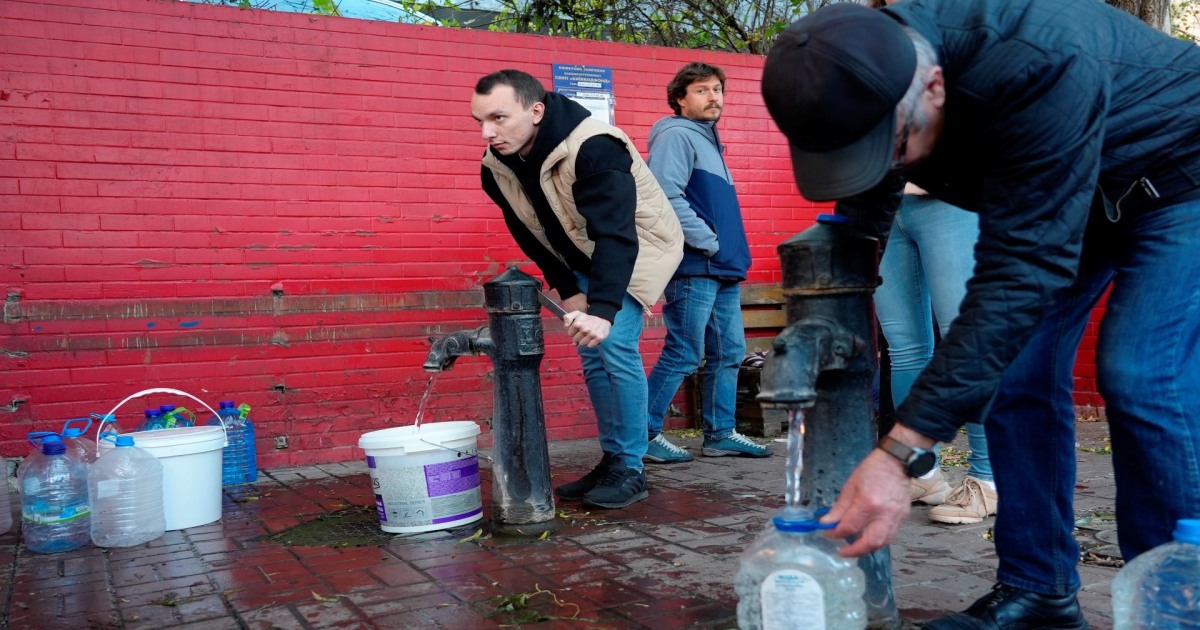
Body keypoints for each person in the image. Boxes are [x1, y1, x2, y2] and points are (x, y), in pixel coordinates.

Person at [760, 1, 1200, 627]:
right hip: (1076, 175)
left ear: (935, 85)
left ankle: (1175, 603)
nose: (892, 162)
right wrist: (847, 258)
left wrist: (899, 453)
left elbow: (1017, 279)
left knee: (1140, 371)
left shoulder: (1033, 61)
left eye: (896, 146)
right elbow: (876, 162)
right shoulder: (870, 62)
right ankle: (1039, 589)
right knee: (1017, 370)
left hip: (1181, 171)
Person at [471, 69, 683, 510]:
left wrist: (603, 309)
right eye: (480, 122)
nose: (488, 133)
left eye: (498, 118)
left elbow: (617, 234)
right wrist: (567, 288)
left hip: (637, 247)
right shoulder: (496, 167)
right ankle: (613, 459)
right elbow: (529, 232)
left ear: (536, 110)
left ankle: (632, 466)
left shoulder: (595, 146)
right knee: (590, 352)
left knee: (617, 343)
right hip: (580, 257)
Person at [642, 62, 771, 464]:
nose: (714, 96)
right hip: (697, 266)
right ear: (680, 99)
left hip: (723, 267)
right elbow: (666, 196)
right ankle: (642, 434)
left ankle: (720, 434)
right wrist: (710, 243)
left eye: (717, 89)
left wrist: (724, 252)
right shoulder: (677, 135)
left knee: (729, 351)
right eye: (701, 90)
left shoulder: (709, 140)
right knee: (684, 351)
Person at [877, 183, 996, 524]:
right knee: (902, 349)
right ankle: (922, 474)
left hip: (949, 196)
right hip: (883, 204)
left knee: (967, 339)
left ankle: (987, 479)